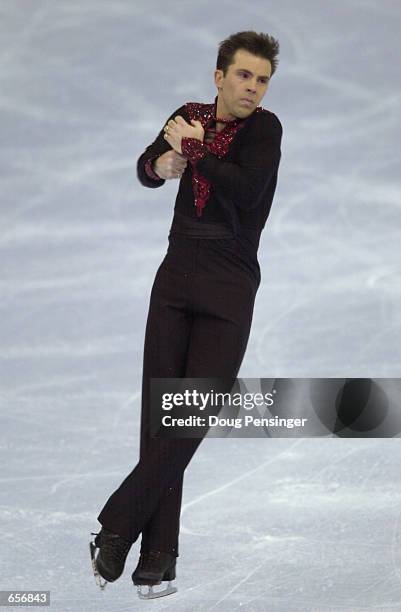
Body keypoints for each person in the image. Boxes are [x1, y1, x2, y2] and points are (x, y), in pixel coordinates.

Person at [90, 30, 282, 600]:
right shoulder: (189, 115)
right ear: (219, 76)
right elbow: (148, 167)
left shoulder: (265, 130)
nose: (253, 88)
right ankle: (158, 556)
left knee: (190, 414)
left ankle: (118, 524)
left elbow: (245, 193)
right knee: (160, 416)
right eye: (244, 75)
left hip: (228, 281)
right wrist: (164, 161)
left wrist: (196, 151)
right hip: (175, 277)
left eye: (263, 79)